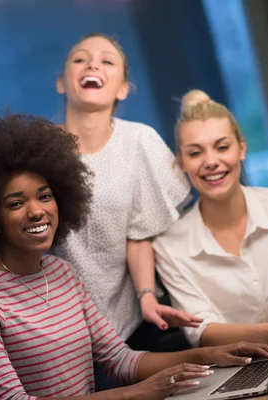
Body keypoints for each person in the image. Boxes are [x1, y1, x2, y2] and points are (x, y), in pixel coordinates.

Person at [0, 113, 268, 400]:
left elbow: (120, 360)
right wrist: (134, 394)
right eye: (16, 203)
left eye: (45, 196)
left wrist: (210, 355)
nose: (37, 211)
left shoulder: (60, 272)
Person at [54, 33, 199, 348]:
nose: (93, 64)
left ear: (123, 89)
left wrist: (147, 296)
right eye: (80, 59)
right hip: (58, 327)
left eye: (107, 61)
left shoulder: (139, 142)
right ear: (62, 82)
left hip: (132, 324)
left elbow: (140, 231)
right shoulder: (37, 151)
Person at [153, 89, 268, 348]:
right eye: (195, 153)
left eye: (222, 147)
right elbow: (202, 330)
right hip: (235, 371)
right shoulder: (169, 245)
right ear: (181, 163)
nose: (211, 161)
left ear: (242, 148)